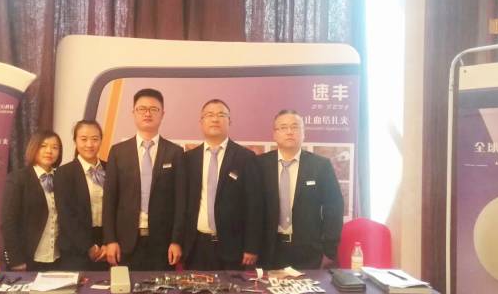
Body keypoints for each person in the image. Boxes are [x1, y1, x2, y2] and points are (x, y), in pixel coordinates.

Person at [103, 88, 185, 271]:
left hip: (163, 244)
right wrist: (110, 240)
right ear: (133, 112)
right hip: (125, 242)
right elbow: (109, 200)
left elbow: (181, 202)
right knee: (126, 288)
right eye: (142, 109)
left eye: (154, 109)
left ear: (162, 114)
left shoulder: (175, 152)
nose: (147, 113)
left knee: (161, 289)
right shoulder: (118, 152)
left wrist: (176, 240)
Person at [183, 99, 264, 270]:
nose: (215, 119)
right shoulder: (189, 158)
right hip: (196, 246)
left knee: (231, 288)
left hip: (233, 248)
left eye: (221, 115)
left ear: (229, 121)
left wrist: (251, 246)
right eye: (209, 115)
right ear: (201, 122)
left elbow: (254, 205)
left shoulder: (245, 157)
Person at [259, 109, 344, 269]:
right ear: (274, 134)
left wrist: (329, 249)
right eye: (283, 127)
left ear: (304, 133)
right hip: (268, 250)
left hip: (308, 251)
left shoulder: (320, 166)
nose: (289, 132)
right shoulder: (260, 165)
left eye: (295, 127)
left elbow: (334, 208)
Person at [0, 130, 63, 271]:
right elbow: (8, 222)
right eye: (43, 146)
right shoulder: (18, 179)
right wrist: (16, 260)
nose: (49, 151)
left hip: (58, 258)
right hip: (28, 259)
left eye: (55, 147)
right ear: (34, 148)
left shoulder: (62, 178)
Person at [54, 120, 108, 271]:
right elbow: (66, 215)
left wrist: (108, 242)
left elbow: (118, 208)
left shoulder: (110, 169)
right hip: (75, 247)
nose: (89, 144)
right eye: (84, 139)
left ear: (101, 140)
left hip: (106, 246)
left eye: (95, 139)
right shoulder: (64, 173)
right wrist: (88, 247)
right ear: (75, 141)